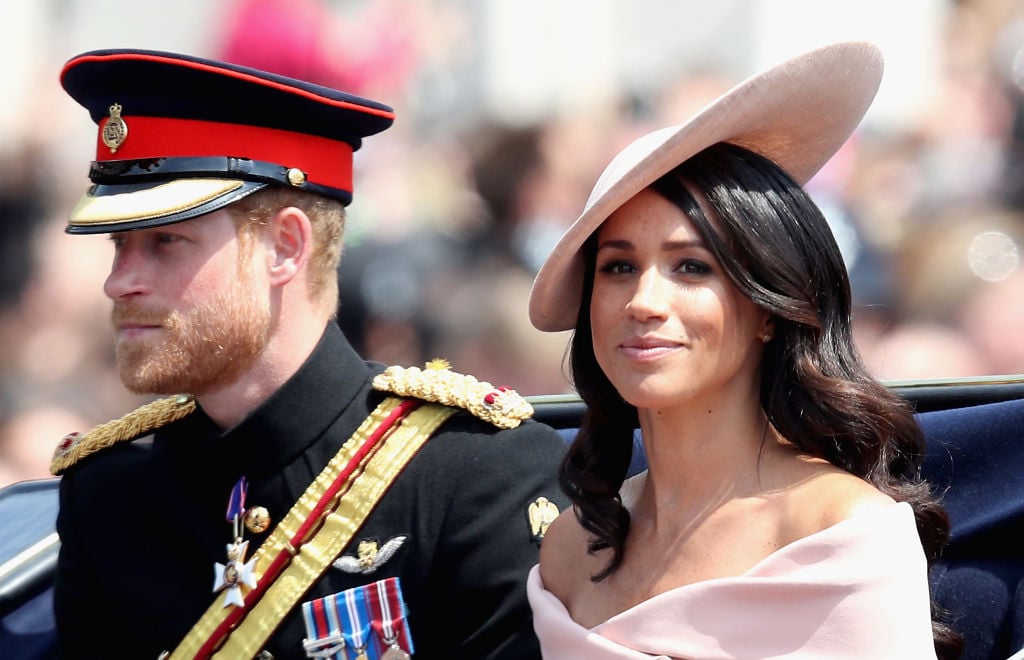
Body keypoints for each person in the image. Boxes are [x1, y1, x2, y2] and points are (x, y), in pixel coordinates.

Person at [49, 49, 568, 659]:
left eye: (166, 241)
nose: (119, 282)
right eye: (119, 244)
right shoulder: (108, 494)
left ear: (285, 247)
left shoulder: (476, 475)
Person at [525, 42, 961, 659]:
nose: (643, 300)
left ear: (767, 308)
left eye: (691, 267)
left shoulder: (840, 531)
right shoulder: (568, 550)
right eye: (618, 266)